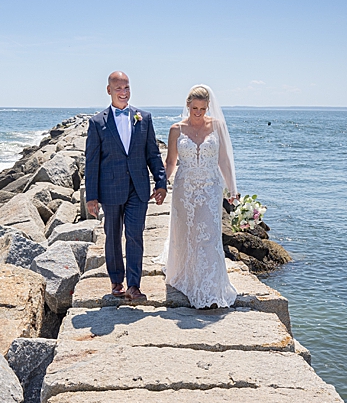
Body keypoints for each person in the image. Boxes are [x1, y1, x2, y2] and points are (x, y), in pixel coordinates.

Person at [84, 71, 167, 302]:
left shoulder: (144, 117)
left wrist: (161, 182)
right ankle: (116, 280)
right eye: (118, 88)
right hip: (109, 190)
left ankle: (134, 285)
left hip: (138, 189)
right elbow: (91, 162)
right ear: (109, 90)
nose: (123, 92)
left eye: (127, 88)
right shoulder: (97, 122)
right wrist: (91, 197)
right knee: (112, 236)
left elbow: (153, 153)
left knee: (135, 235)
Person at [158, 84, 239, 309]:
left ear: (208, 107)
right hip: (184, 189)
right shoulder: (176, 129)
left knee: (209, 236)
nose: (198, 113)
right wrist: (161, 185)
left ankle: (210, 287)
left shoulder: (218, 126)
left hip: (211, 188)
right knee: (187, 233)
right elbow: (171, 162)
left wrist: (232, 189)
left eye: (202, 109)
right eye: (194, 108)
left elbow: (224, 160)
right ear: (187, 106)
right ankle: (187, 277)